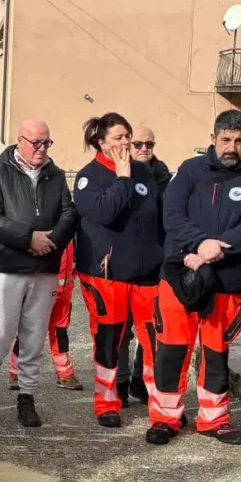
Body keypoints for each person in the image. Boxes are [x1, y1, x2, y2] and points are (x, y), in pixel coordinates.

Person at [148, 109, 241, 445]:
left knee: (216, 352)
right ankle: (165, 417)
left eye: (238, 140)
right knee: (172, 351)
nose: (231, 147)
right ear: (213, 138)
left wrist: (221, 247)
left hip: (228, 279)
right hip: (181, 273)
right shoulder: (190, 171)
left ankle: (214, 419)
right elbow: (172, 214)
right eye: (225, 140)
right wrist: (199, 243)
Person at [0, 118, 78, 427]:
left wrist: (51, 242)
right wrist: (28, 239)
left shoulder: (56, 176)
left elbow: (69, 214)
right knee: (0, 333)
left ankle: (27, 398)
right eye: (37, 143)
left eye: (47, 143)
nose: (42, 149)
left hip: (44, 268)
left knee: (33, 339)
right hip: (7, 266)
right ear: (20, 140)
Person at [74, 112, 162, 428]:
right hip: (106, 275)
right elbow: (106, 212)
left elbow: (155, 218)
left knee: (155, 341)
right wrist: (122, 178)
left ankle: (162, 410)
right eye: (118, 138)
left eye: (127, 136)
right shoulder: (89, 177)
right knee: (109, 341)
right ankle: (106, 402)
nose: (126, 143)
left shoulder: (145, 172)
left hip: (147, 276)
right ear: (100, 142)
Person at [114, 126, 173, 404]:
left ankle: (141, 384)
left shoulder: (163, 176)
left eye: (149, 143)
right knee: (121, 331)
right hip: (120, 264)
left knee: (151, 331)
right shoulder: (114, 172)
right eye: (138, 143)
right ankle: (121, 385)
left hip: (152, 266)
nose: (143, 148)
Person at [7, 241, 83, 392]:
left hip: (65, 290)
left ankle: (65, 374)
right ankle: (15, 372)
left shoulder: (68, 220)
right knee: (30, 330)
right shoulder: (42, 219)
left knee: (60, 332)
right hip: (41, 286)